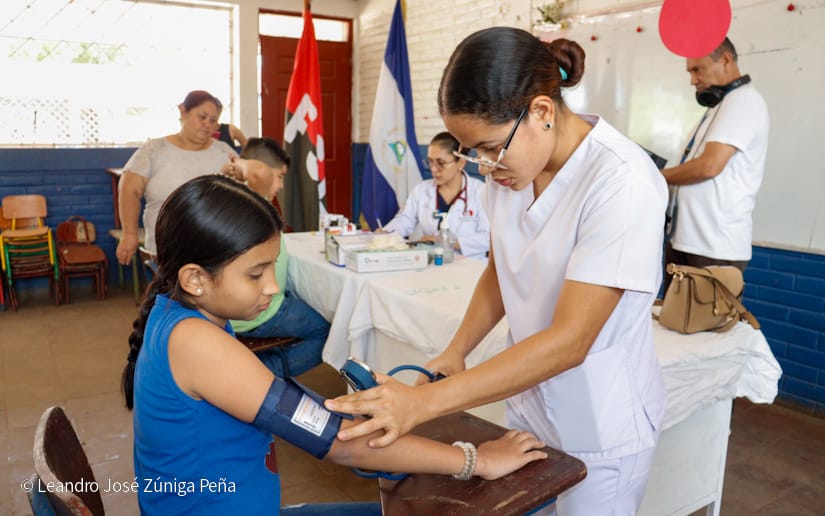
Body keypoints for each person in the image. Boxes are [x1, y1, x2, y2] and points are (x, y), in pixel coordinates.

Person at [324, 27, 669, 515]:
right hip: (531, 402)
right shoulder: (510, 172)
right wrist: (457, 349)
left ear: (542, 112)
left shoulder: (622, 182)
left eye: (489, 147)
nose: (484, 167)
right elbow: (502, 269)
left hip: (599, 418)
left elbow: (571, 341)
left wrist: (423, 404)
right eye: (472, 153)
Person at [120, 174, 547, 514]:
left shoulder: (177, 315)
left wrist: (352, 409)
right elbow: (340, 443)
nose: (272, 287)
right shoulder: (196, 342)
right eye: (255, 274)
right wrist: (476, 460)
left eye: (272, 267)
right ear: (195, 279)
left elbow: (290, 408)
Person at [661, 37, 769, 292]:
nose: (693, 80)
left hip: (712, 246)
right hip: (689, 240)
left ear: (726, 60)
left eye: (697, 69)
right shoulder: (723, 104)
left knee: (703, 319)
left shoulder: (743, 101)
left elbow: (708, 167)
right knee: (675, 316)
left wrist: (656, 175)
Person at [226, 137, 331, 378]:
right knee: (328, 332)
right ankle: (265, 373)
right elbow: (259, 172)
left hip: (258, 304)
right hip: (262, 311)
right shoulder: (251, 201)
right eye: (280, 176)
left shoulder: (237, 200)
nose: (281, 185)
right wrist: (241, 163)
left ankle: (258, 363)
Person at [115, 90, 236, 265]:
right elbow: (129, 189)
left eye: (213, 120)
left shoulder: (224, 153)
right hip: (163, 255)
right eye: (202, 117)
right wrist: (129, 234)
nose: (207, 125)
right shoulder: (154, 149)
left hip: (214, 256)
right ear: (183, 111)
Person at [382, 132, 490, 259]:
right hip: (433, 262)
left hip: (471, 264)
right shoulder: (421, 190)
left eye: (440, 163)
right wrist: (385, 234)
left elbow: (488, 237)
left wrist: (446, 242)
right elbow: (405, 220)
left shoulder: (480, 192)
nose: (433, 169)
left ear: (461, 163)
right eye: (430, 162)